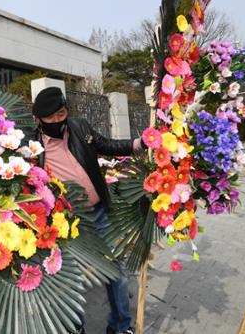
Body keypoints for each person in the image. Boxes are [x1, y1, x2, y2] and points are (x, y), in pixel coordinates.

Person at [32, 86, 144, 334]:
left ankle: (120, 326)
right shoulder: (32, 148)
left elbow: (108, 145)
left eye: (60, 114)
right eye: (49, 118)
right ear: (38, 119)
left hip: (100, 214)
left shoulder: (80, 127)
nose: (56, 121)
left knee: (116, 272)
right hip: (69, 225)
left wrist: (140, 143)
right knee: (72, 281)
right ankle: (76, 328)